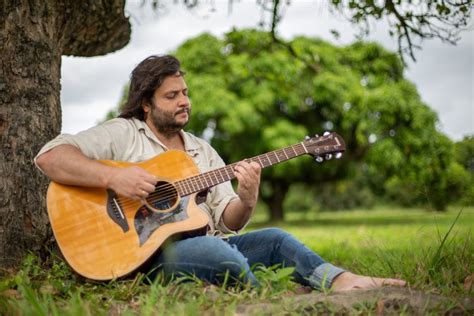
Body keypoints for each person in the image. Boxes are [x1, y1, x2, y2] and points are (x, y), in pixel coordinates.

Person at [35, 55, 405, 291]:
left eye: (185, 93)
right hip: (143, 257)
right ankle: (263, 293)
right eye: (171, 96)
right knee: (217, 254)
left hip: (206, 242)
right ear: (146, 104)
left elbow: (228, 219)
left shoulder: (202, 151)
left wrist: (247, 198)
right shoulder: (123, 133)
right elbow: (50, 157)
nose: (184, 101)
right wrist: (113, 178)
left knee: (275, 238)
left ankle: (342, 281)